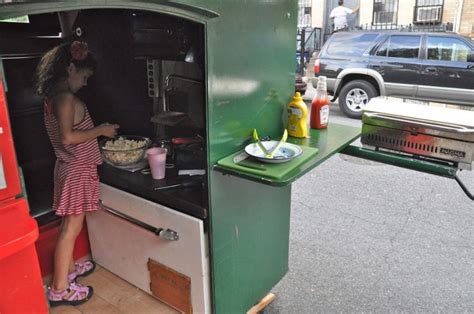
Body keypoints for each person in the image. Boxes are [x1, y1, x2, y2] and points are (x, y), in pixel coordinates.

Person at [35, 41, 119, 307]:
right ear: (70, 67)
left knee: (68, 227)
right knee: (71, 228)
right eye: (83, 77)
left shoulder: (52, 97)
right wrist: (102, 130)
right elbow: (69, 137)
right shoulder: (66, 99)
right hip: (76, 171)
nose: (84, 83)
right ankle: (59, 289)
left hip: (69, 169)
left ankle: (68, 272)